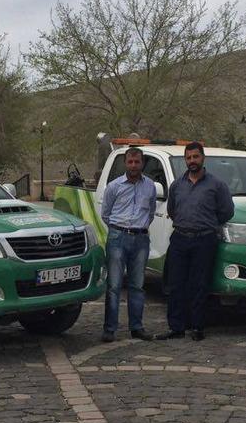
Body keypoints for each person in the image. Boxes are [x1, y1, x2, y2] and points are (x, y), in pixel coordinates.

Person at [155, 142, 234, 341]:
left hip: (204, 240)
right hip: (180, 238)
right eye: (189, 158)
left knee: (199, 285)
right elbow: (172, 210)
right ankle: (176, 327)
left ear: (203, 158)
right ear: (185, 160)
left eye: (195, 157)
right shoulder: (177, 185)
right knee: (175, 284)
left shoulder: (217, 185)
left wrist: (207, 224)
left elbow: (226, 211)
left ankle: (198, 327)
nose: (192, 161)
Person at [99, 147, 157, 342]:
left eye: (137, 162)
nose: (134, 166)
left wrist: (139, 228)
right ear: (125, 163)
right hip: (118, 237)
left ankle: (137, 327)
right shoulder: (114, 186)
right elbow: (105, 214)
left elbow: (150, 212)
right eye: (130, 162)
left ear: (142, 163)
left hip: (141, 239)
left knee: (137, 285)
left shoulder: (150, 186)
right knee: (114, 285)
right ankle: (110, 329)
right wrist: (120, 229)